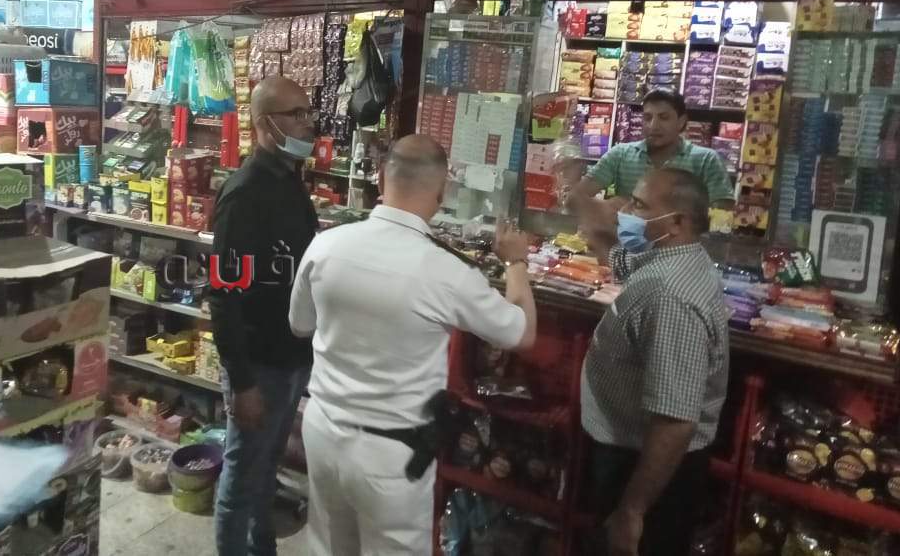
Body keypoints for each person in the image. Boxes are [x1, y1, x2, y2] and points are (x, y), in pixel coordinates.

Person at [288, 134, 538, 555]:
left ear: (381, 179)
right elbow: (521, 332)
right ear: (442, 192)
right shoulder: (447, 272)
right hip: (390, 456)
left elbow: (300, 325)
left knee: (328, 547)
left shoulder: (326, 244)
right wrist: (516, 261)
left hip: (322, 431)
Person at [577, 168, 730, 556]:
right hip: (630, 450)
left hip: (644, 469)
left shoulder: (671, 298)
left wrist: (632, 511)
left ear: (677, 222)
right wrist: (598, 230)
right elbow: (627, 263)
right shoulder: (675, 257)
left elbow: (675, 421)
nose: (625, 212)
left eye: (639, 205)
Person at [210, 75, 319, 556]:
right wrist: (243, 382)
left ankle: (262, 548)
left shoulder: (290, 181)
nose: (308, 123)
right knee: (241, 479)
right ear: (264, 124)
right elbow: (223, 294)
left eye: (308, 112)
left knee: (265, 469)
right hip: (259, 365)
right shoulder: (245, 193)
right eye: (296, 114)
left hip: (291, 356)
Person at [571, 89, 735, 212]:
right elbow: (573, 200)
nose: (653, 126)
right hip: (627, 245)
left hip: (680, 246)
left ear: (681, 122)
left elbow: (723, 216)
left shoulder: (706, 160)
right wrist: (605, 206)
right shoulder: (620, 154)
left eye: (664, 118)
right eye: (647, 118)